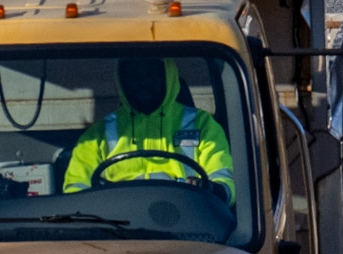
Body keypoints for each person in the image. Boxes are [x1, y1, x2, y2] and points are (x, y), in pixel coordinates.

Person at [62, 54, 235, 196]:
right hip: (116, 228)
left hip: (188, 224)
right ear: (121, 81)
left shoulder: (202, 124)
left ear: (168, 76)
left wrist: (211, 189)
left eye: (151, 74)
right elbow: (76, 190)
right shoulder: (98, 134)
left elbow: (224, 180)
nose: (142, 82)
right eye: (133, 76)